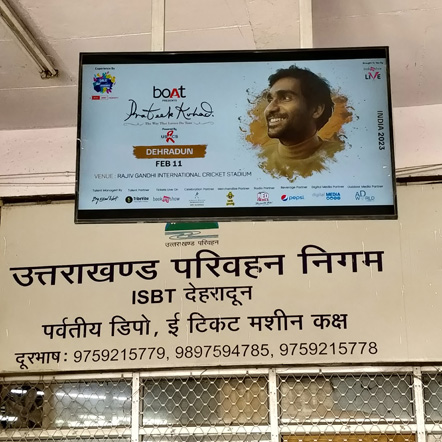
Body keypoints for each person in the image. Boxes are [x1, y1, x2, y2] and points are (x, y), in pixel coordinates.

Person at [258, 65, 345, 180]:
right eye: (270, 100)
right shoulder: (260, 159)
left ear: (316, 110)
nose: (269, 108)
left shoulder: (341, 157)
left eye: (286, 98)